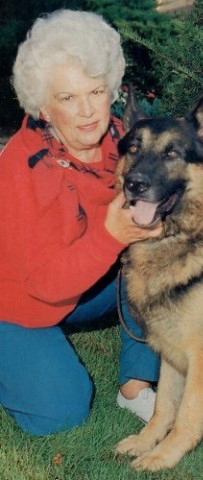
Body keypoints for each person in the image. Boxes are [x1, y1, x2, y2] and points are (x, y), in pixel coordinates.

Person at [0, 9, 162, 436]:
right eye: (68, 98)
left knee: (161, 264)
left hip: (86, 285)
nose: (89, 111)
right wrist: (113, 235)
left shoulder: (120, 135)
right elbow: (44, 284)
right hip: (19, 302)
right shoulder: (20, 168)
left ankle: (135, 385)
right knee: (61, 412)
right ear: (43, 107)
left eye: (95, 90)